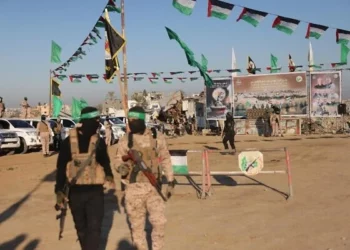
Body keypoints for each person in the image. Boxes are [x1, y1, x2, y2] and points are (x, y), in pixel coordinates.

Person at [113, 106, 175, 250]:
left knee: (159, 223)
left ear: (142, 120)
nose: (132, 122)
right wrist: (120, 167)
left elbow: (165, 158)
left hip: (154, 187)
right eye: (130, 120)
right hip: (133, 188)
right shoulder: (126, 139)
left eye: (135, 120)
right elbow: (118, 159)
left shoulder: (155, 136)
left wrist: (170, 180)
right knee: (137, 227)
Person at [55, 107, 115, 250]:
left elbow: (105, 161)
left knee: (94, 229)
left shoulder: (98, 142)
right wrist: (59, 191)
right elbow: (61, 168)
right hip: (75, 193)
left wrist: (109, 174)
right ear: (87, 121)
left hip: (95, 193)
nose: (97, 124)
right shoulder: (68, 142)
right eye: (96, 121)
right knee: (81, 229)